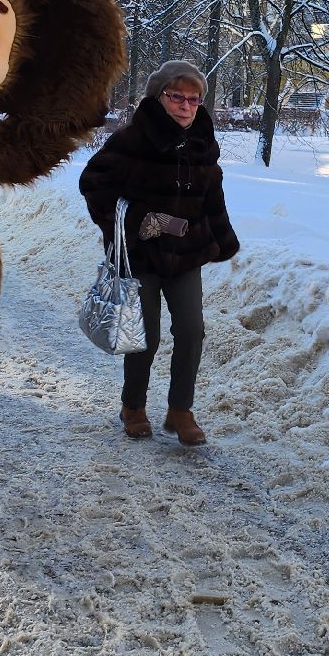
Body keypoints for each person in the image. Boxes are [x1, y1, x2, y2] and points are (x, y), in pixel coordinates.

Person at [79, 60, 239, 446]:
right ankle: (133, 406)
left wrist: (222, 238)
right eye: (177, 97)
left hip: (186, 254)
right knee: (146, 335)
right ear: (158, 97)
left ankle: (180, 410)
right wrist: (141, 219)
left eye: (194, 99)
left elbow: (211, 195)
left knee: (191, 331)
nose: (186, 106)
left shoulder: (203, 142)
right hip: (140, 255)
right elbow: (93, 185)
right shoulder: (132, 140)